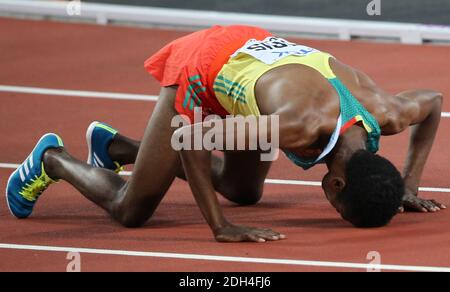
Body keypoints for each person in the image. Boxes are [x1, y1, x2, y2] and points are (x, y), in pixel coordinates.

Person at [6, 25, 445, 243]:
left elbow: (432, 102)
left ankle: (116, 146)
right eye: (339, 209)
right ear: (335, 184)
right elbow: (188, 137)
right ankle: (53, 159)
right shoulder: (293, 127)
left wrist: (407, 185)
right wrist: (219, 225)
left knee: (244, 188)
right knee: (131, 210)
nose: (331, 207)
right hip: (204, 65)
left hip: (255, 60)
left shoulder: (385, 113)